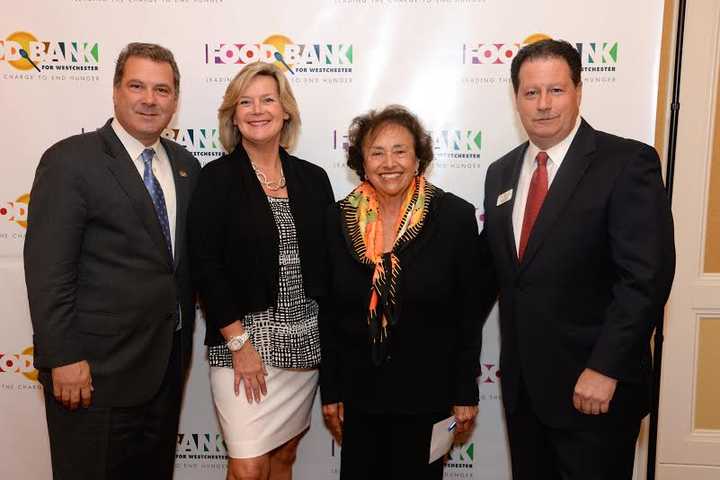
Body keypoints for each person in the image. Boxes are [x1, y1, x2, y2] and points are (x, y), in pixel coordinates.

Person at [480, 39, 676, 479]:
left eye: (556, 90)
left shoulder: (626, 162)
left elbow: (645, 277)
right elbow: (492, 271)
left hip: (594, 392)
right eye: (531, 93)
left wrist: (605, 367)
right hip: (525, 394)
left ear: (579, 91)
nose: (543, 104)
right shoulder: (501, 172)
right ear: (516, 99)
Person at [24, 42, 200, 479]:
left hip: (163, 369)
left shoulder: (186, 165)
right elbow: (48, 270)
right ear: (116, 91)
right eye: (137, 86)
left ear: (175, 101)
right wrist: (63, 357)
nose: (149, 99)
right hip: (92, 374)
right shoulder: (70, 160)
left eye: (162, 90)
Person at [319, 105, 491, 480]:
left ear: (418, 159)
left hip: (429, 394)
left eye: (400, 151)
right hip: (360, 396)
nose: (388, 162)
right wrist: (330, 390)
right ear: (361, 162)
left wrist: (465, 392)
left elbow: (468, 314)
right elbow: (329, 313)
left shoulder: (454, 217)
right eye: (376, 152)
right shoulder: (338, 219)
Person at [188, 61, 334, 480]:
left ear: (285, 110)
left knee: (284, 456)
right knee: (249, 466)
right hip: (243, 342)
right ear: (233, 115)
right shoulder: (216, 179)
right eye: (245, 102)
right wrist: (240, 344)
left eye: (268, 99)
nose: (257, 110)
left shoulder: (313, 179)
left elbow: (328, 263)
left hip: (304, 341)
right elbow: (206, 265)